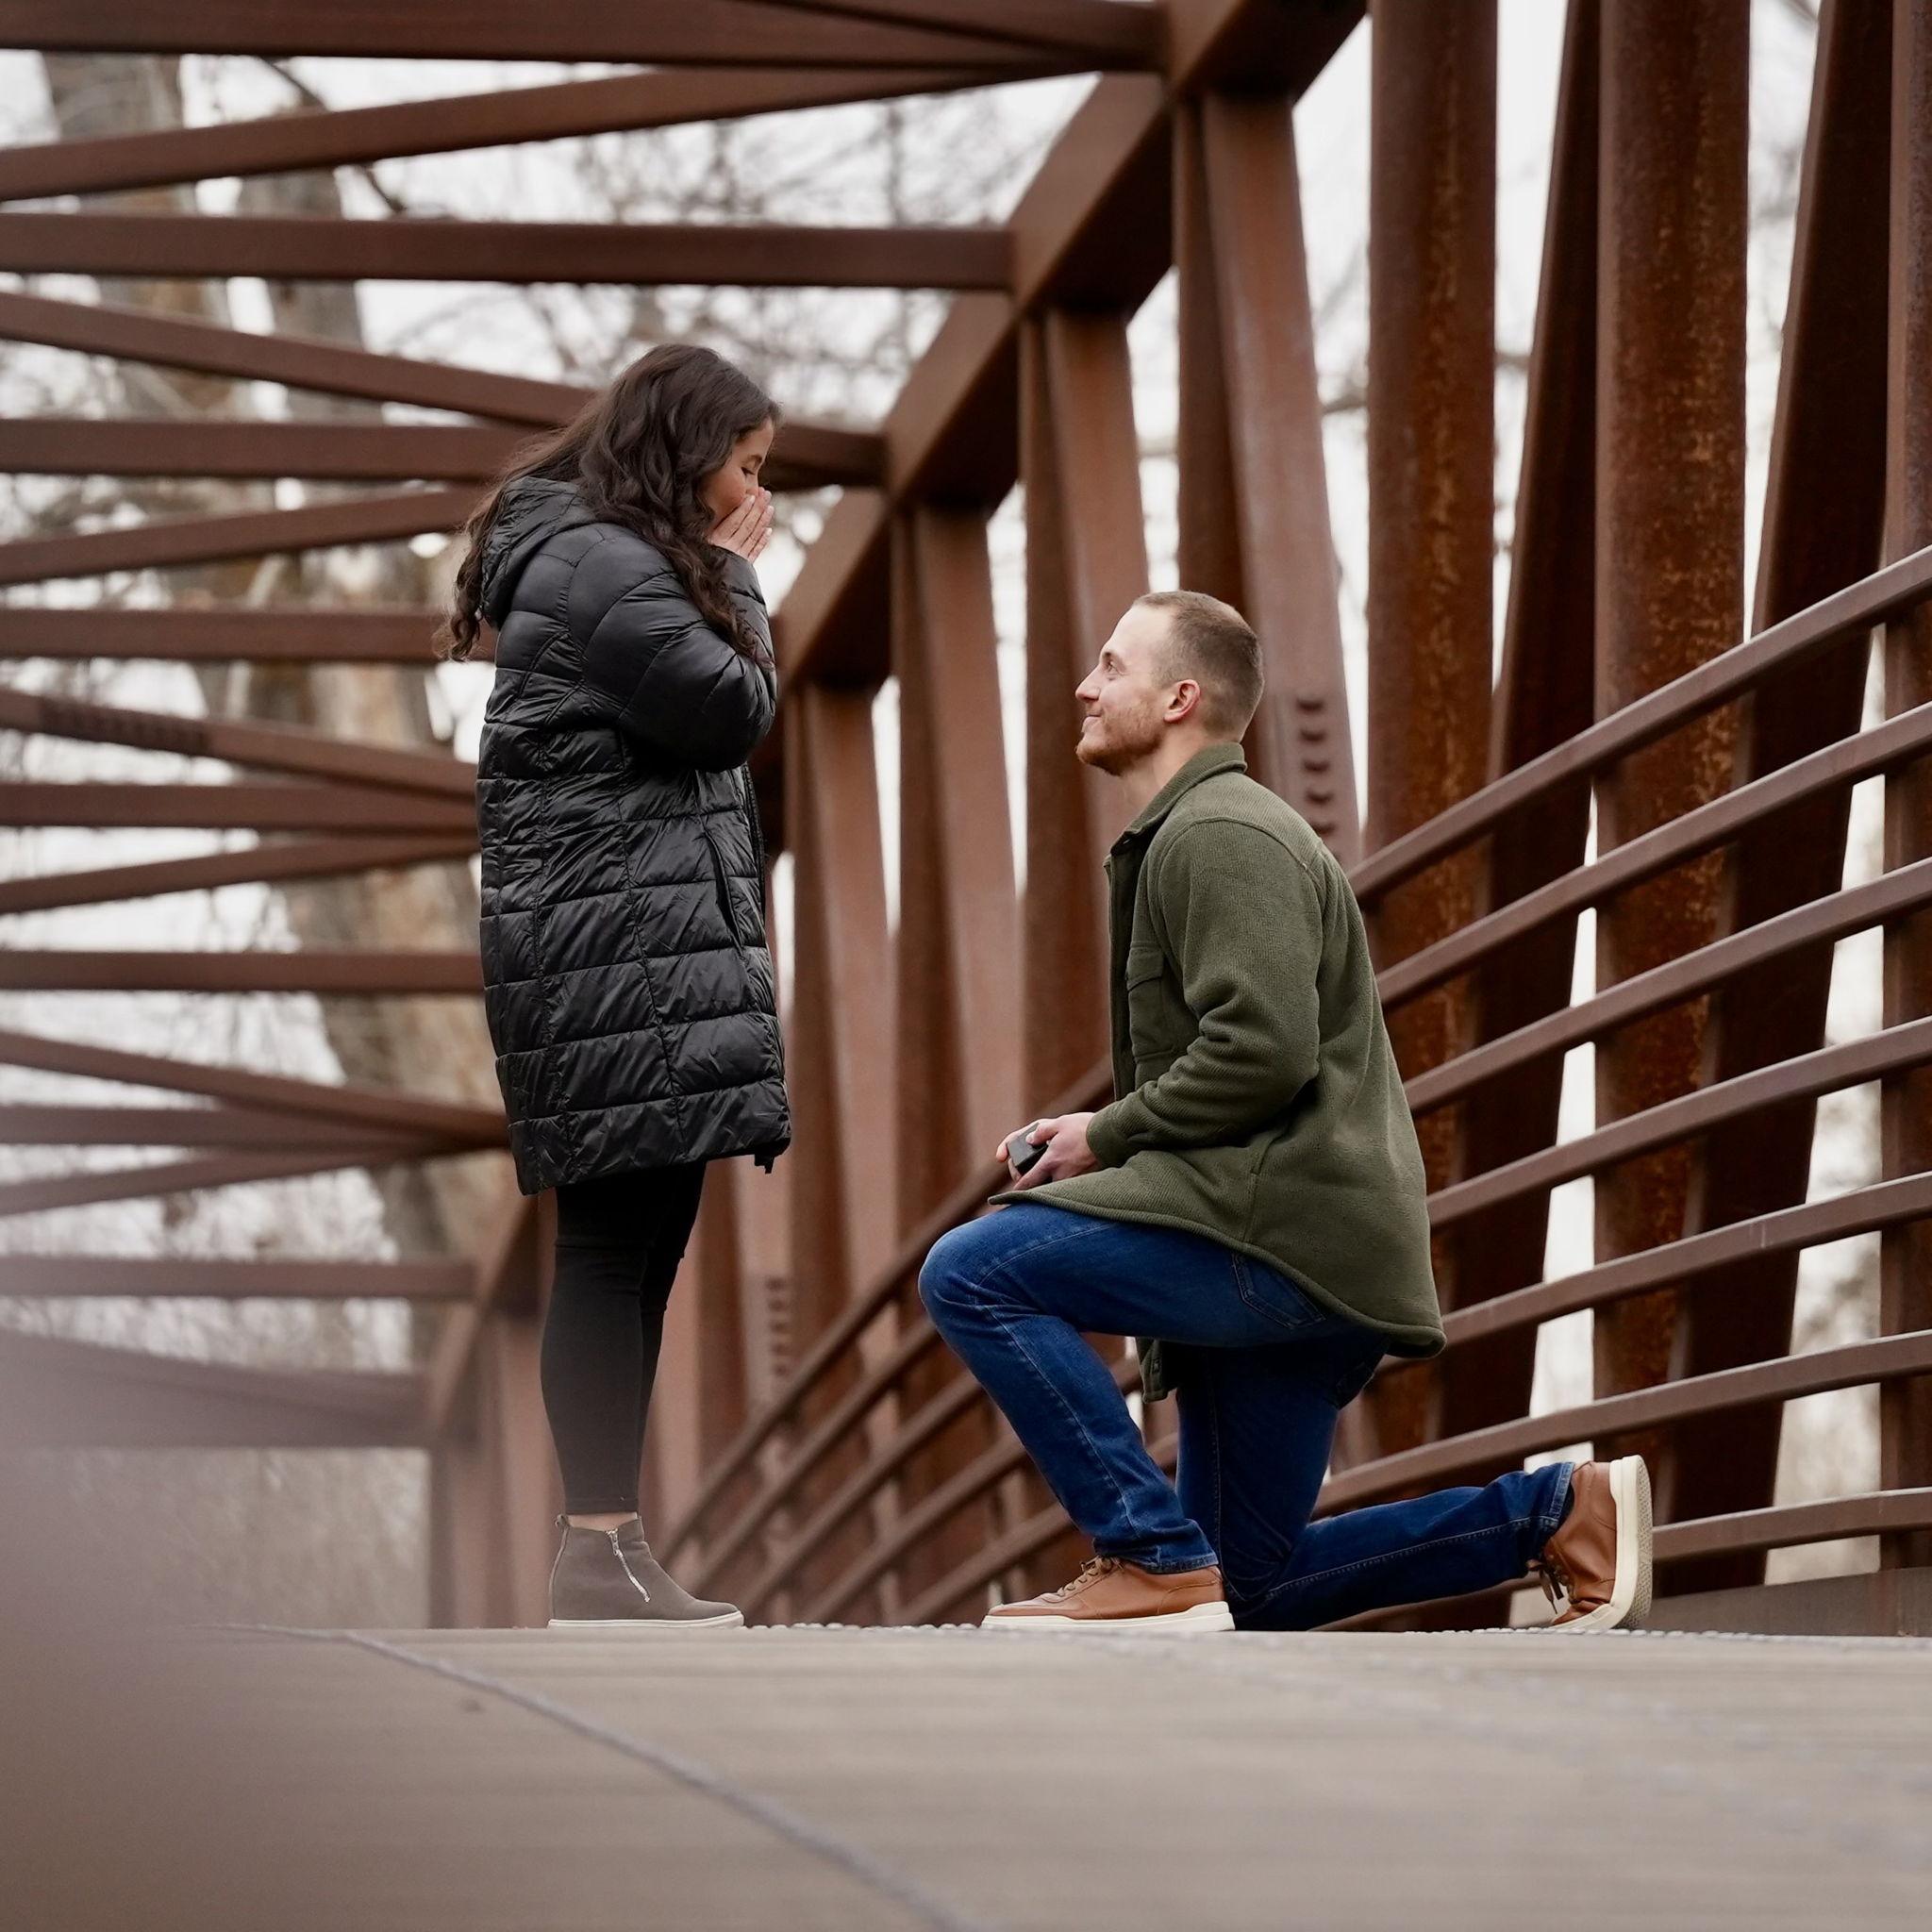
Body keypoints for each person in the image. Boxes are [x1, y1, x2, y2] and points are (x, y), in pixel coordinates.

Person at [919, 591, 1652, 1636]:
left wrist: (1104, 1133)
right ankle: (1553, 1516)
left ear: (1179, 696)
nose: (1084, 686)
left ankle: (1142, 1548)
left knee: (972, 1271)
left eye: (1111, 667)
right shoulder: (1199, 831)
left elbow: (1261, 1051)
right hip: (1287, 1233)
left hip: (1276, 1237)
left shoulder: (1216, 830)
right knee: (1246, 1583)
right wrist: (1108, 1132)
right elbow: (1248, 1049)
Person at [441, 342, 791, 1631]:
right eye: (745, 469)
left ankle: (611, 1547)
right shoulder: (603, 561)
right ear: (686, 450)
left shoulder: (605, 558)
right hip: (611, 959)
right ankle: (596, 1551)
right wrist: (742, 581)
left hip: (628, 954)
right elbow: (726, 711)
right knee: (610, 1248)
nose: (753, 496)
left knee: (640, 1249)